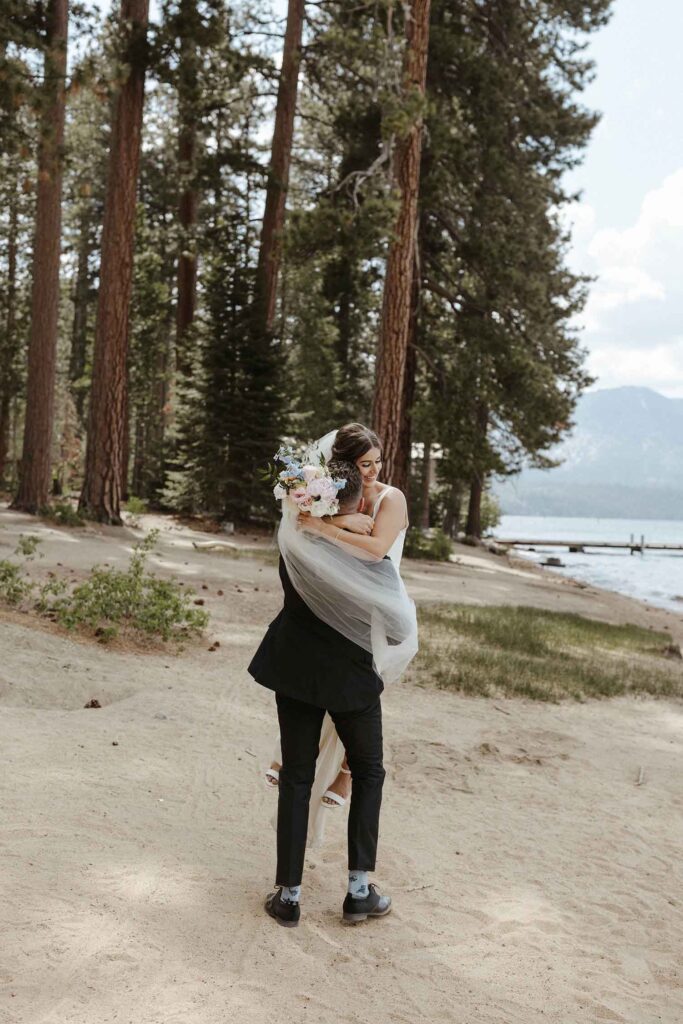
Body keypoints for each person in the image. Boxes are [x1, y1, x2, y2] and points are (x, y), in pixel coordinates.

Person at [248, 445, 417, 926]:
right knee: (369, 773)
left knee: (296, 778)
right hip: (352, 683)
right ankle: (359, 890)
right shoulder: (374, 565)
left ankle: (289, 896)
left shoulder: (296, 546)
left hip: (295, 672)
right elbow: (401, 630)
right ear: (357, 505)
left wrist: (325, 526)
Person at [265, 423, 410, 812]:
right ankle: (295, 755)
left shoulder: (389, 499)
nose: (374, 470)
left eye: (378, 461)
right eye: (365, 463)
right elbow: (296, 528)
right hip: (335, 598)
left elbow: (377, 549)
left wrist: (324, 528)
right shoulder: (326, 494)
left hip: (375, 604)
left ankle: (346, 770)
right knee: (324, 685)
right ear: (345, 465)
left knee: (365, 686)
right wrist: (335, 521)